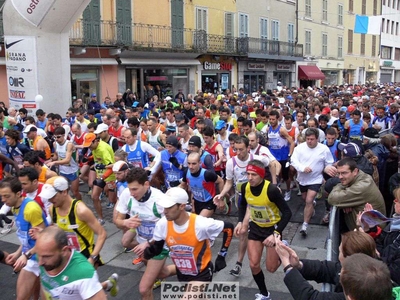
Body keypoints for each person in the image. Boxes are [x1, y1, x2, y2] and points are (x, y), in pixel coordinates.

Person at [214, 136, 275, 277]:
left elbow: (272, 163)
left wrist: (274, 182)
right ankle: (239, 264)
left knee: (256, 226)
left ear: (248, 148)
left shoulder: (257, 159)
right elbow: (229, 182)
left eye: (241, 149)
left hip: (257, 198)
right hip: (241, 199)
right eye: (236, 149)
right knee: (243, 231)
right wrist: (222, 195)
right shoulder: (231, 162)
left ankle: (271, 242)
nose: (238, 152)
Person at [144, 187, 233, 282]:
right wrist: (149, 251)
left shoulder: (200, 224)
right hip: (182, 271)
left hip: (202, 272)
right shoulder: (162, 224)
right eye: (164, 207)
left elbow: (228, 227)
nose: (165, 211)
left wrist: (221, 256)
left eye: (169, 207)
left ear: (182, 206)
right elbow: (158, 247)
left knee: (189, 296)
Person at [235, 160, 292, 300]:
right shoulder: (244, 187)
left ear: (261, 175)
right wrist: (240, 222)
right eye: (247, 174)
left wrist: (276, 234)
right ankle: (265, 294)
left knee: (271, 268)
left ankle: (283, 246)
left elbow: (287, 213)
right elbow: (242, 205)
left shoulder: (271, 190)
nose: (249, 178)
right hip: (255, 228)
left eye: (253, 174)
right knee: (254, 265)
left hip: (272, 229)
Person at [274, 231, 379, 300]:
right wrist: (298, 265)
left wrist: (287, 265)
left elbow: (311, 298)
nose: (338, 256)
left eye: (340, 252)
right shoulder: (366, 269)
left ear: (349, 259)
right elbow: (324, 269)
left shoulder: (357, 292)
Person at [114, 167, 169, 298]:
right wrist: (125, 223)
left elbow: (168, 228)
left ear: (146, 184)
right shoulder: (127, 194)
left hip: (158, 243)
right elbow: (117, 220)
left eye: (135, 189)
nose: (131, 193)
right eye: (130, 189)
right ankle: (182, 270)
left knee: (144, 289)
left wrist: (149, 243)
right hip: (141, 235)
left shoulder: (160, 199)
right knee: (162, 272)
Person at [1, 178, 48, 300]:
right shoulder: (15, 206)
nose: (3, 200)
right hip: (31, 256)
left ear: (18, 193)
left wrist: (25, 255)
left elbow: (45, 239)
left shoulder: (30, 209)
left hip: (45, 257)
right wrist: (18, 253)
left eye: (7, 196)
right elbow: (27, 235)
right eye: (1, 196)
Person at [35, 226, 110, 299]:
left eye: (47, 257)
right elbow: (45, 287)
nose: (40, 263)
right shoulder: (43, 257)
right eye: (38, 255)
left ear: (64, 251)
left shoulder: (83, 273)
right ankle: (107, 284)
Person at [290, 128, 336, 236]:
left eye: (312, 139)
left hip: (316, 179)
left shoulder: (324, 149)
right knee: (305, 199)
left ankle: (304, 225)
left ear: (317, 139)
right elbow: (293, 161)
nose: (309, 141)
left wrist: (328, 168)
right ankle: (311, 207)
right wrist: (302, 168)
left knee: (309, 200)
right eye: (307, 139)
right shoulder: (299, 148)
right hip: (302, 179)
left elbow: (329, 162)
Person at [328, 158, 386, 232]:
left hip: (372, 237)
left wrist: (341, 186)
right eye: (338, 173)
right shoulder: (360, 177)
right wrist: (346, 202)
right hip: (362, 233)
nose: (340, 177)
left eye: (344, 173)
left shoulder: (362, 186)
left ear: (355, 171)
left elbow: (332, 198)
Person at [82, 133, 116, 225]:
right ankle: (101, 219)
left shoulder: (103, 149)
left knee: (113, 200)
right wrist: (88, 158)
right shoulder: (94, 147)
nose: (89, 148)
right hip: (101, 175)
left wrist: (103, 177)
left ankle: (120, 216)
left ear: (96, 141)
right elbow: (97, 156)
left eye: (90, 145)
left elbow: (111, 167)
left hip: (110, 176)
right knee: (94, 196)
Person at [180, 152, 225, 217]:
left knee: (199, 221)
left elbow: (220, 181)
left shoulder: (207, 174)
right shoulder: (186, 172)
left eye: (194, 164)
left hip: (209, 202)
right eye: (189, 163)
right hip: (196, 202)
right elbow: (182, 185)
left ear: (200, 163)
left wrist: (221, 199)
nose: (190, 167)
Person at [47, 127, 82, 202]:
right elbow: (56, 156)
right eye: (55, 137)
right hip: (63, 171)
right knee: (64, 190)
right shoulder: (55, 143)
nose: (56, 139)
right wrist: (50, 159)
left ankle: (80, 203)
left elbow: (67, 160)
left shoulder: (68, 144)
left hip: (72, 170)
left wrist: (54, 162)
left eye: (58, 137)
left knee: (75, 192)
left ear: (63, 135)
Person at [267, 110, 295, 201]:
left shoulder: (282, 129)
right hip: (273, 156)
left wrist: (289, 155)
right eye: (270, 119)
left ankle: (288, 190)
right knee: (274, 175)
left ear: (277, 119)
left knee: (285, 176)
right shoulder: (268, 129)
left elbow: (292, 142)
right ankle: (276, 190)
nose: (271, 121)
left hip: (283, 156)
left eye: (273, 119)